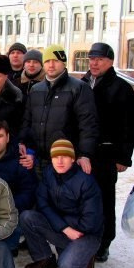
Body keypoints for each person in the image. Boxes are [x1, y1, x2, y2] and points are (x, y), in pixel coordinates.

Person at [82, 42, 134, 262]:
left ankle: (104, 242)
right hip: (84, 152)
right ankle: (85, 238)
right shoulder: (82, 83)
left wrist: (123, 157)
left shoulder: (121, 88)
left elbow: (129, 125)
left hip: (106, 154)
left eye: (100, 59)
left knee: (105, 200)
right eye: (91, 59)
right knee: (83, 198)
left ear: (110, 62)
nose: (94, 63)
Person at [20, 139, 103, 268]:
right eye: (55, 157)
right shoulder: (49, 173)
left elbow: (91, 222)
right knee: (27, 217)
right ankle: (44, 257)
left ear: (73, 159)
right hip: (63, 228)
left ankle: (88, 254)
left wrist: (63, 225)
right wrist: (64, 228)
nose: (59, 161)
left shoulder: (86, 181)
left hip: (85, 234)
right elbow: (42, 203)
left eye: (64, 156)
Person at [19, 44, 98, 177]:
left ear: (63, 63)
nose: (51, 65)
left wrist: (85, 154)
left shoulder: (78, 88)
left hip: (65, 160)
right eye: (47, 61)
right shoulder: (36, 89)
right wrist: (23, 141)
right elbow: (27, 121)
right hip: (38, 160)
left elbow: (88, 124)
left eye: (55, 61)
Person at [0, 119, 38, 251]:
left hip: (11, 213)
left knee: (3, 249)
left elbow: (29, 192)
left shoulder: (21, 161)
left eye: (0, 136)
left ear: (7, 137)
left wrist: (6, 206)